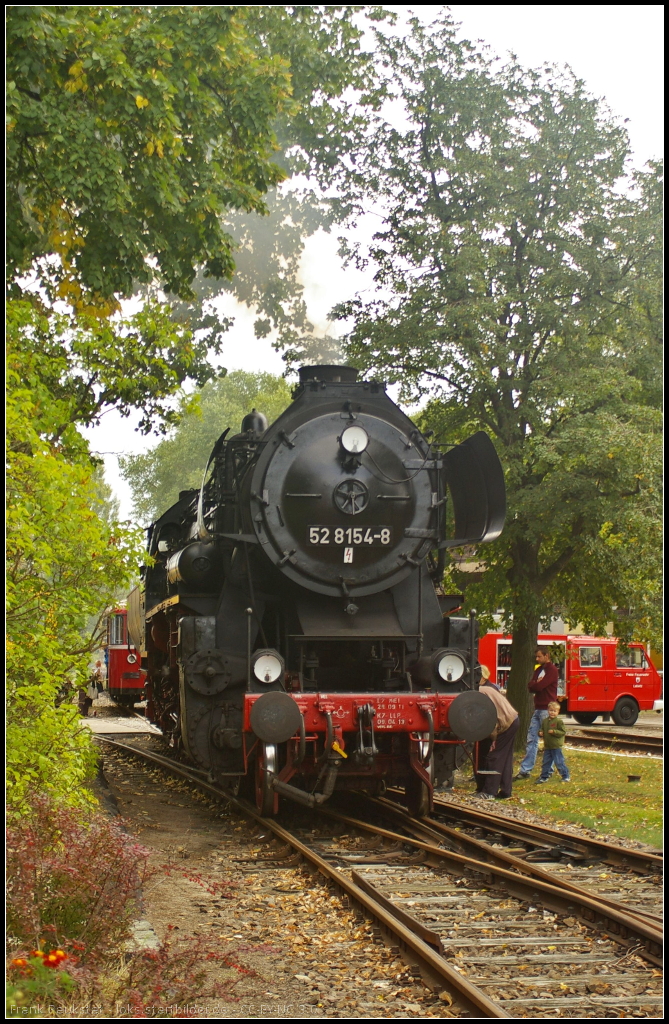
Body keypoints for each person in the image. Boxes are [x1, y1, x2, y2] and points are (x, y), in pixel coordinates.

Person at [514, 647, 559, 781]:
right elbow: (531, 686)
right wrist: (535, 684)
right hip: (538, 708)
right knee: (531, 738)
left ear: (546, 656)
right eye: (536, 657)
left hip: (547, 709)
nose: (537, 659)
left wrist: (536, 684)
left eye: (539, 657)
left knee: (549, 741)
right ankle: (525, 770)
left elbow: (538, 686)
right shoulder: (539, 670)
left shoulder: (552, 670)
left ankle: (548, 770)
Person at [475, 675, 520, 800]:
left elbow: (490, 717)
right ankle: (506, 791)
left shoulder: (479, 695)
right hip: (512, 719)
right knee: (505, 758)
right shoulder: (484, 690)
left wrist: (493, 738)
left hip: (505, 723)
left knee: (495, 756)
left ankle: (489, 792)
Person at [536, 702, 570, 783]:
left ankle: (565, 776)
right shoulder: (545, 721)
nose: (552, 712)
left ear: (558, 712)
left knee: (559, 762)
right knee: (546, 762)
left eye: (554, 711)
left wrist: (554, 731)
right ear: (548, 711)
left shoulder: (559, 722)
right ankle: (544, 776)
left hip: (556, 746)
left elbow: (563, 732)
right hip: (548, 746)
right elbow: (542, 729)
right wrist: (540, 732)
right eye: (551, 710)